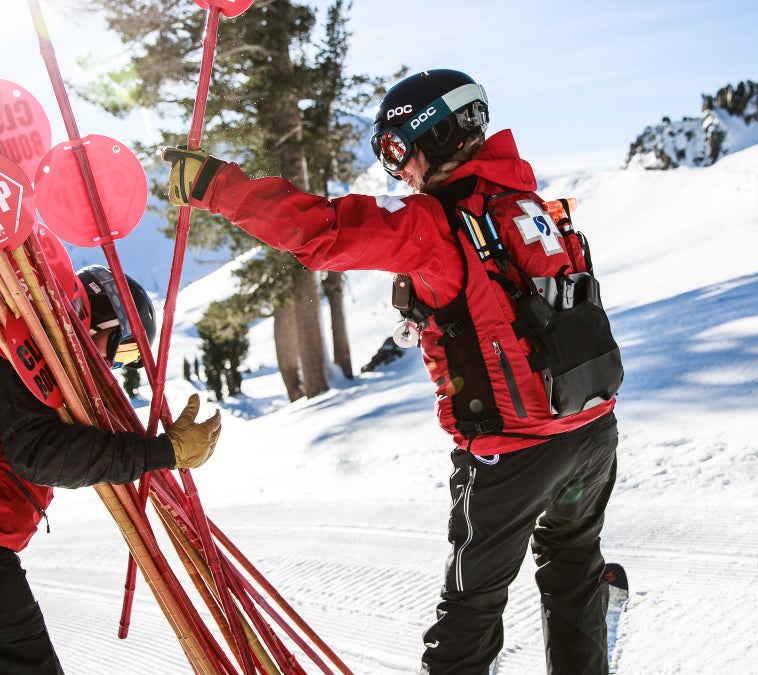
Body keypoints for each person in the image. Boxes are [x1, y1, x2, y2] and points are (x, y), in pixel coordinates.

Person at [161, 69, 620, 674]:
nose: (396, 170)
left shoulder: (434, 223)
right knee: (572, 561)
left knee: (472, 606)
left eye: (396, 149)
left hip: (510, 453)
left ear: (438, 132)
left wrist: (215, 187)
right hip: (590, 430)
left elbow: (323, 230)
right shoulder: (529, 203)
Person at [0, 265, 221, 674]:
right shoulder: (18, 336)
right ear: (98, 321)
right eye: (121, 350)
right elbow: (39, 455)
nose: (112, 366)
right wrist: (161, 453)